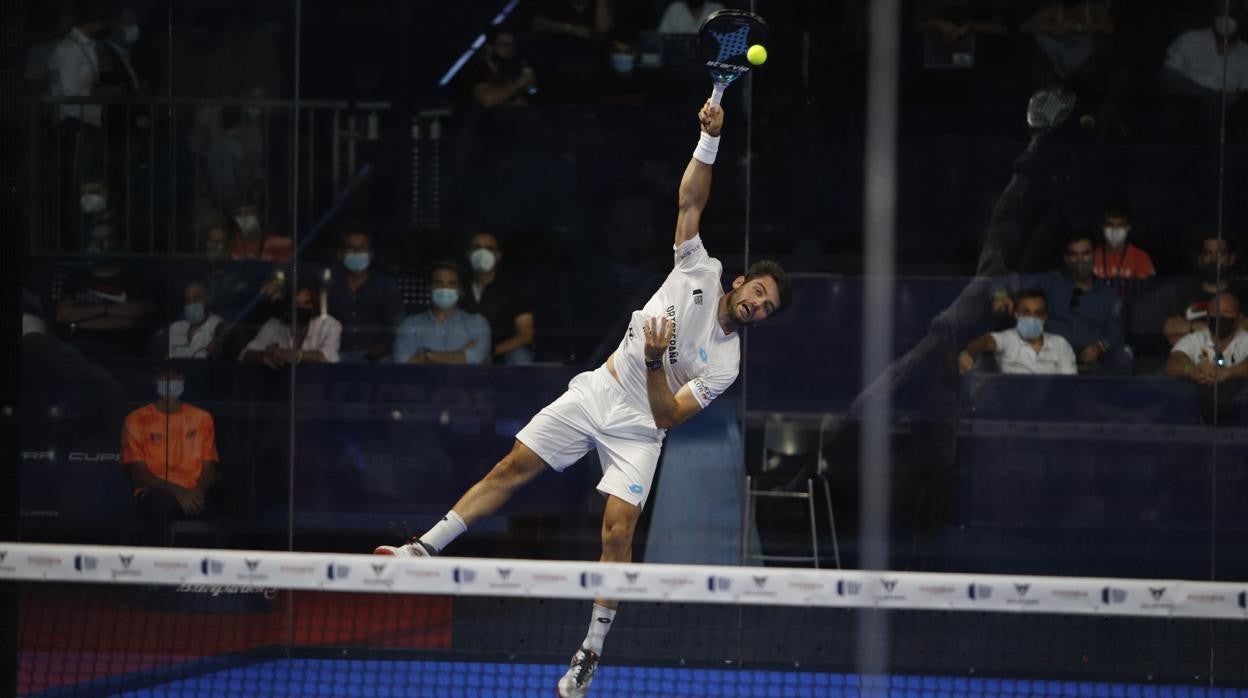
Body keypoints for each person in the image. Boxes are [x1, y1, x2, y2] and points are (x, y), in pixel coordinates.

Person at [374, 101, 792, 698]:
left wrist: (653, 363)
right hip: (600, 389)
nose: (757, 305)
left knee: (617, 535)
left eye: (767, 308)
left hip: (642, 430)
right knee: (509, 469)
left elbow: (668, 415)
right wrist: (709, 139)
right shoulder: (700, 266)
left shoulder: (726, 363)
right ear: (739, 281)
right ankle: (422, 548)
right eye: (758, 292)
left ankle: (589, 654)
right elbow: (691, 202)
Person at [993, 230, 1128, 373]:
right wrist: (1000, 295)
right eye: (1074, 255)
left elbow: (1115, 334)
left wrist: (1099, 347)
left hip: (1091, 361)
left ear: (1095, 255)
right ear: (1066, 258)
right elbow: (1001, 281)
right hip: (1049, 357)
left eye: (1086, 253)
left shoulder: (1108, 296)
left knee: (1122, 358)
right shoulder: (1050, 282)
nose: (1080, 260)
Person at [122, 367, 219, 528]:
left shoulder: (203, 418)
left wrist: (198, 492)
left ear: (183, 380)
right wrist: (178, 492)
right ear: (154, 381)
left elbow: (209, 468)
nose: (171, 381)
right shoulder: (135, 420)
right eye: (165, 377)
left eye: (176, 376)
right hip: (155, 493)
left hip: (195, 493)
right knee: (162, 504)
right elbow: (139, 475)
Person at [1165, 292, 1248, 423]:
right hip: (1197, 415)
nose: (1220, 317)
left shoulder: (1245, 339)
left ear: (1238, 318)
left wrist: (1228, 372)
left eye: (1227, 312)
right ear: (1208, 317)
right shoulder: (1196, 339)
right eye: (1215, 312)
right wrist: (1191, 370)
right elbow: (1173, 363)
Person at [326, 230, 403, 363]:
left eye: (362, 248)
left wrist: (372, 356)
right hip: (336, 357)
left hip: (378, 359)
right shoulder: (330, 287)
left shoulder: (386, 286)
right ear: (340, 254)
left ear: (371, 254)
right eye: (351, 249)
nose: (357, 253)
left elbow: (394, 330)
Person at [959, 288, 1077, 375]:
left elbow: (1068, 386)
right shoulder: (1008, 339)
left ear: (1045, 318)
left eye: (1037, 313)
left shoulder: (1061, 344)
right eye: (1026, 312)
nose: (1032, 318)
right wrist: (967, 352)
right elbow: (985, 342)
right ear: (1016, 315)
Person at [392, 262, 491, 365]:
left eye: (451, 283)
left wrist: (426, 355)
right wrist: (460, 354)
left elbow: (476, 359)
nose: (445, 288)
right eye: (439, 283)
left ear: (460, 290)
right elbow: (402, 362)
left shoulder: (477, 323)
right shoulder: (410, 324)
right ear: (430, 288)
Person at [462, 232, 536, 364]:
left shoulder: (514, 288)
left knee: (520, 357)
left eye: (489, 248)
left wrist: (492, 352)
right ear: (468, 254)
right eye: (477, 247)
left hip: (502, 353)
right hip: (466, 353)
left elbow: (526, 335)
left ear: (498, 255)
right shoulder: (458, 287)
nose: (482, 253)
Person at [240, 281, 341, 367]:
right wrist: (263, 355)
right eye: (296, 304)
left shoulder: (329, 325)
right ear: (287, 306)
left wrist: (294, 355)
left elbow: (329, 357)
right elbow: (245, 354)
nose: (301, 308)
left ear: (313, 305)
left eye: (306, 303)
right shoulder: (274, 325)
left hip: (316, 383)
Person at [1161, 14, 1248, 96]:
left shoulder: (1245, 53)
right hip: (1182, 98)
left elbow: (1244, 90)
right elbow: (1169, 74)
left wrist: (1233, 98)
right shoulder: (1190, 38)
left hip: (1220, 106)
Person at [460, 28, 537, 108]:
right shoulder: (477, 69)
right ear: (489, 47)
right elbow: (487, 100)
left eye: (512, 45)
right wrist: (519, 83)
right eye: (503, 44)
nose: (509, 49)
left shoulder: (511, 69)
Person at [1092, 201, 1155, 282]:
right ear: (1102, 226)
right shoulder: (1090, 256)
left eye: (1120, 225)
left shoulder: (1141, 258)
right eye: (1110, 225)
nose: (1115, 230)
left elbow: (1149, 291)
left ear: (1128, 227)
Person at [163, 280, 225, 359]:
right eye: (188, 300)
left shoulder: (218, 326)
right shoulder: (176, 327)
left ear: (208, 299)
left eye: (197, 299)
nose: (191, 304)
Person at [657, 0, 726, 34]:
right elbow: (661, 38)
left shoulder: (717, 9)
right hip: (679, 58)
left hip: (709, 58)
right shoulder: (675, 9)